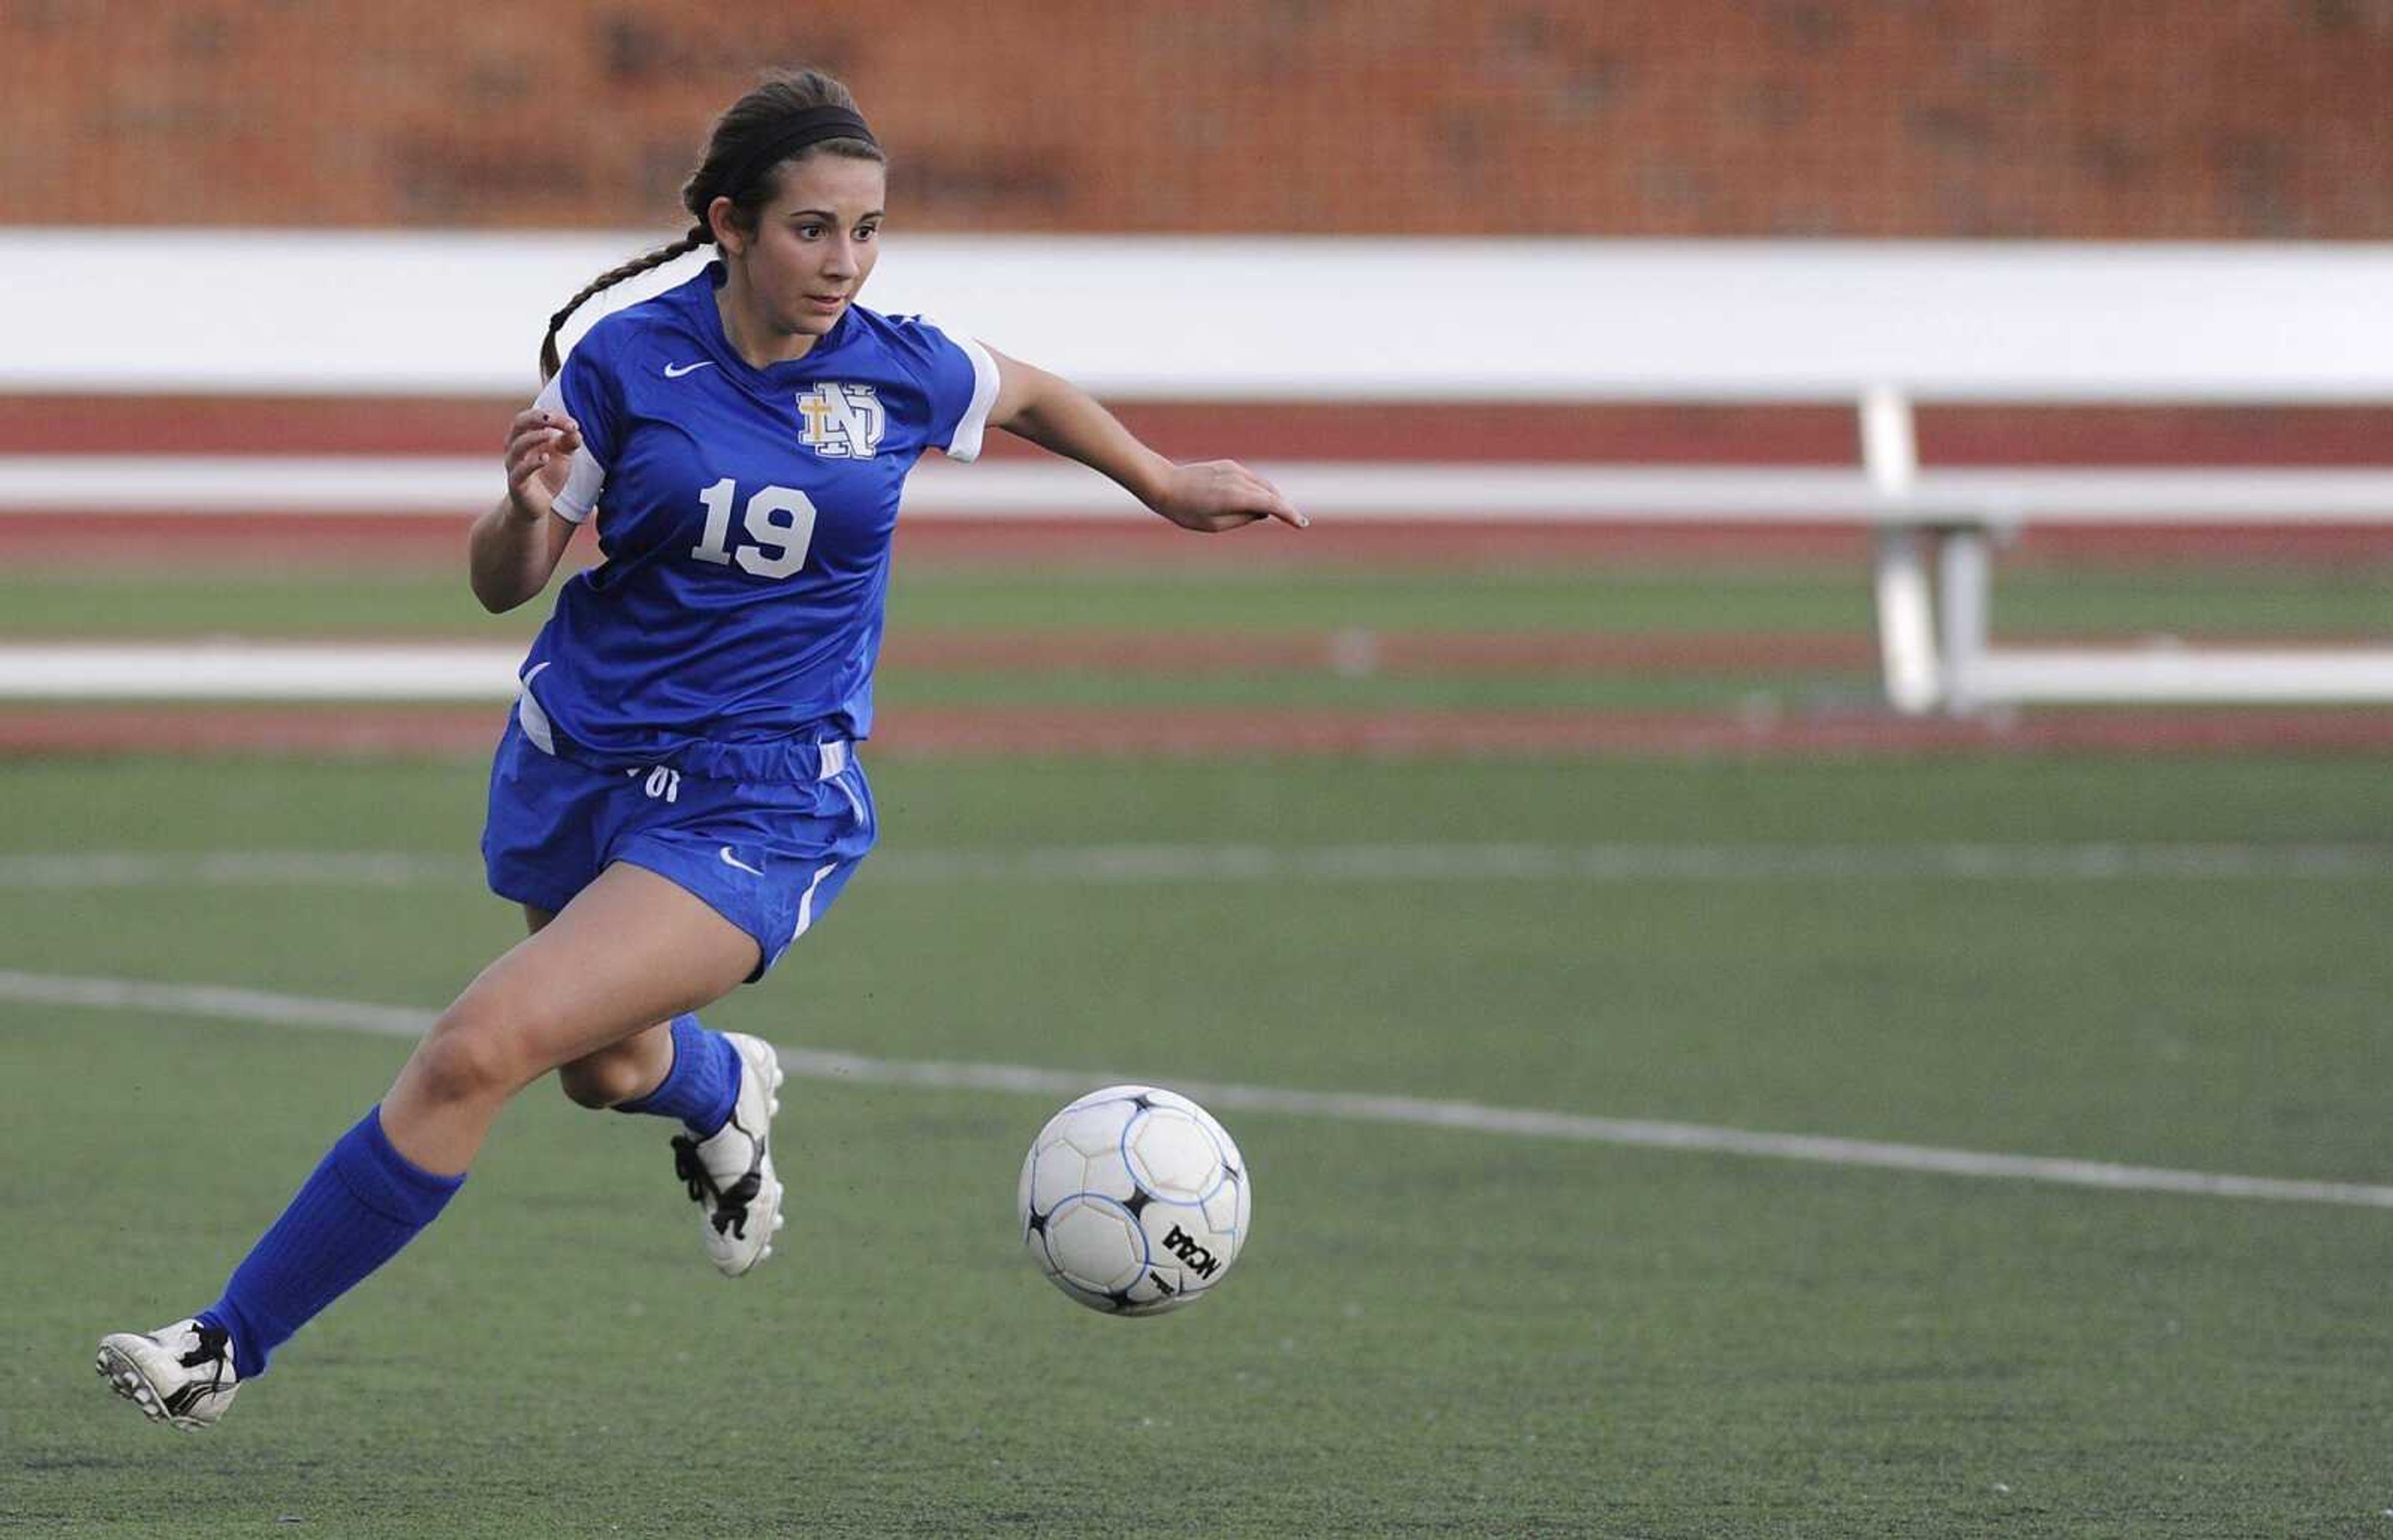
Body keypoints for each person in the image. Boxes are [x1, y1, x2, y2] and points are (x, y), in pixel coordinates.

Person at [95, 67, 1304, 1431]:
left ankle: (221, 1346)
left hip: (763, 796)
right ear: (729, 225)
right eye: (812, 229)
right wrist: (521, 506)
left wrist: (1164, 482)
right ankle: (723, 1087)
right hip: (583, 761)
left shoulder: (899, 365)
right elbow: (509, 581)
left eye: (867, 229)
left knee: (472, 1050)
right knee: (609, 1068)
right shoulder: (628, 363)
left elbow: (1025, 395)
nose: (844, 262)